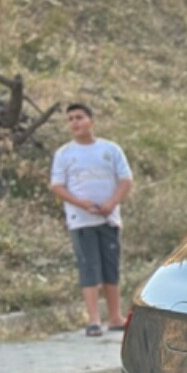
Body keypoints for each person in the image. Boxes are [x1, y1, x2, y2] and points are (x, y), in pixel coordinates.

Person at [50, 103, 133, 336]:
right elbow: (57, 186)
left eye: (79, 117)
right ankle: (94, 319)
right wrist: (81, 203)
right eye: (71, 119)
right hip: (81, 220)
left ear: (91, 121)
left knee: (111, 268)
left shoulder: (110, 149)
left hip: (109, 219)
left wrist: (112, 203)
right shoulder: (65, 154)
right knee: (89, 268)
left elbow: (125, 180)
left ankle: (115, 317)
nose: (75, 122)